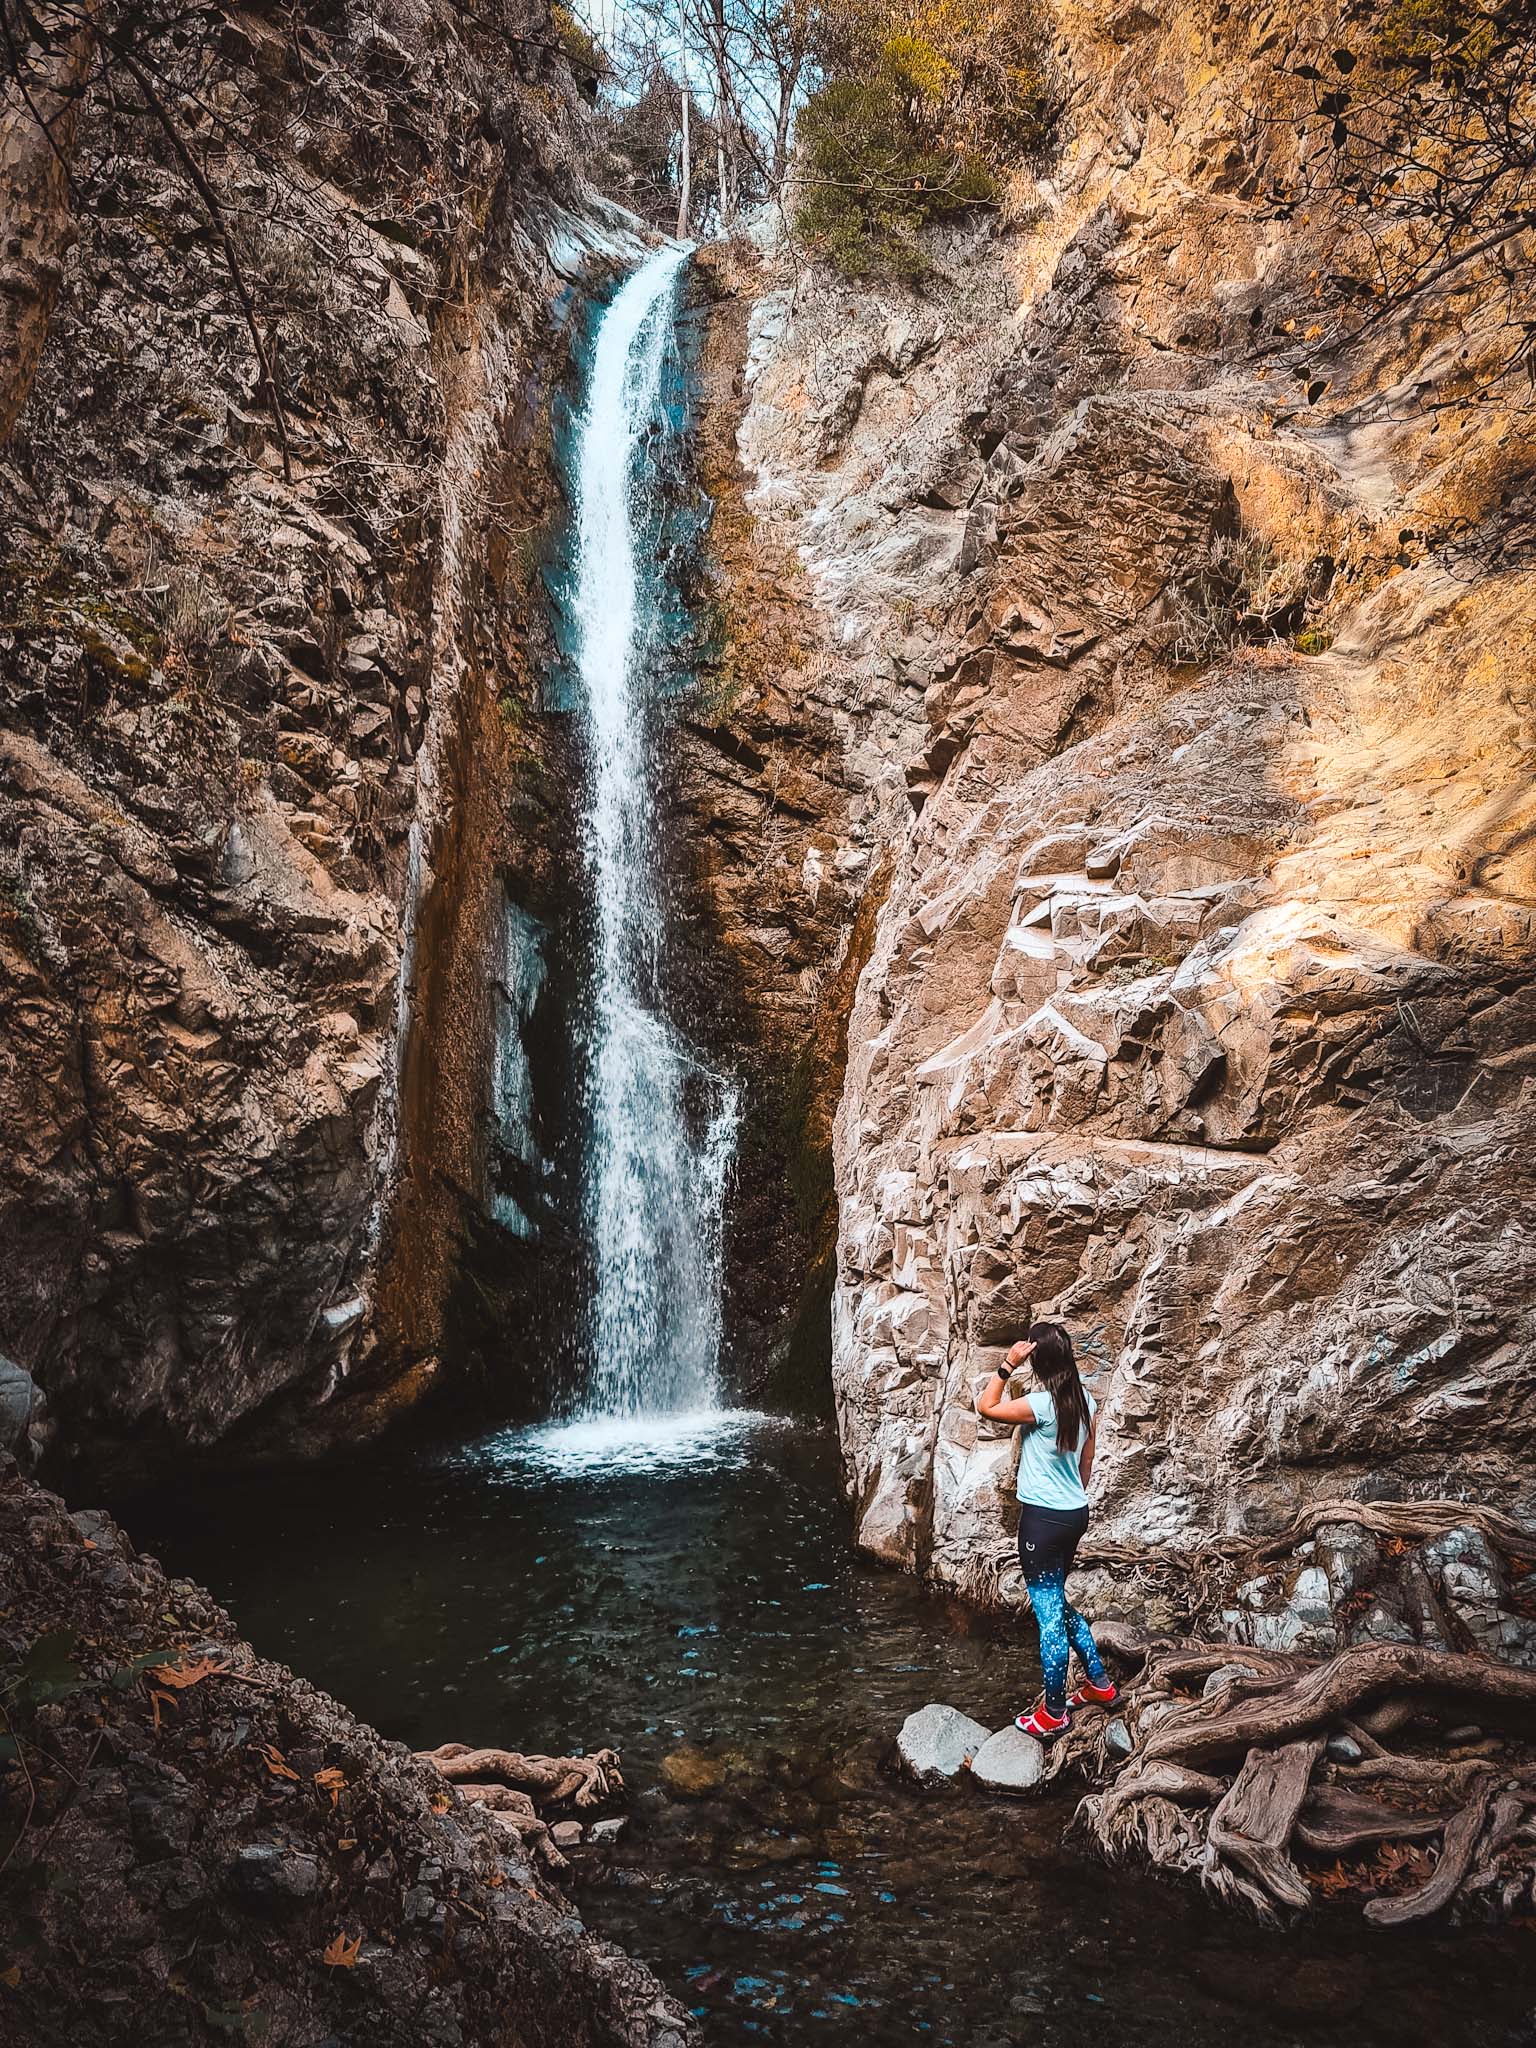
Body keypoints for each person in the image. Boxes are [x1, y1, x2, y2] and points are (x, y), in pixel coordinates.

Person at [976, 1322, 1116, 1741]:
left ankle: (1054, 1712)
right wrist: (1069, 1496)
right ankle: (1099, 1684)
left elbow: (986, 1407)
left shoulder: (1040, 1404)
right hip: (1074, 1514)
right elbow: (1087, 1463)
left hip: (1042, 1519)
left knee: (1048, 1617)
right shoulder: (1085, 1400)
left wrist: (1005, 1366)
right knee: (1056, 1601)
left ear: (1038, 1359)